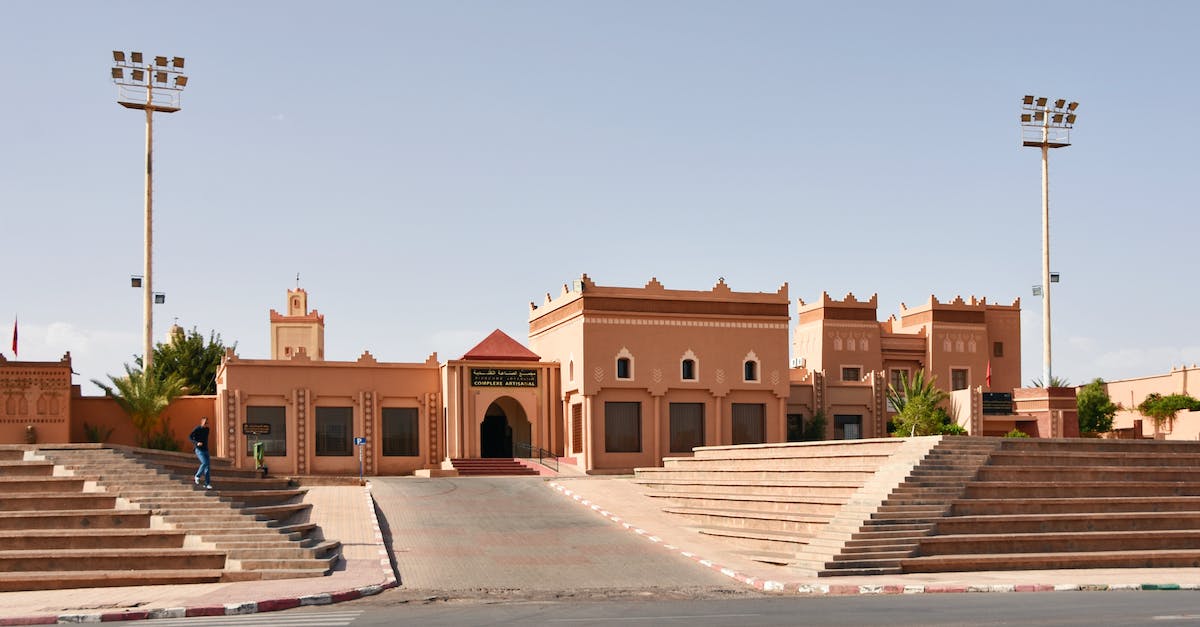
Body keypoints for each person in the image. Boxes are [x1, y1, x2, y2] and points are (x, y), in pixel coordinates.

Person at [189, 416, 212, 490]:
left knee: (207, 467)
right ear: (201, 422)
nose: (206, 424)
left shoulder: (207, 430)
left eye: (207, 423)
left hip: (206, 450)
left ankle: (207, 484)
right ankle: (197, 476)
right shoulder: (197, 429)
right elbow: (190, 437)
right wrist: (196, 443)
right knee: (204, 463)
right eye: (205, 422)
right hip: (199, 450)